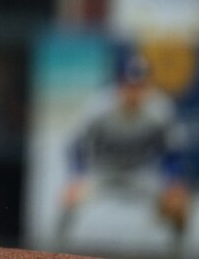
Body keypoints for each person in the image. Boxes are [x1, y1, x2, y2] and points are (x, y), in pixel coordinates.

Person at [56, 52, 190, 254]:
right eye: (129, 85)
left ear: (147, 85)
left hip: (141, 172)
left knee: (179, 206)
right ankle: (55, 251)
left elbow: (172, 153)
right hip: (102, 171)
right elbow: (76, 146)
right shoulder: (99, 106)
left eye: (140, 85)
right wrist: (76, 176)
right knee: (69, 200)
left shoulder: (159, 109)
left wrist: (173, 181)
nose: (134, 91)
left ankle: (178, 253)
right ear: (119, 84)